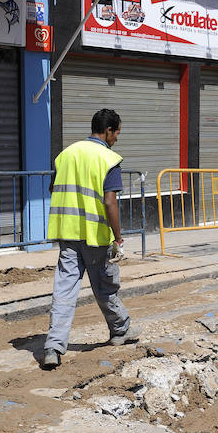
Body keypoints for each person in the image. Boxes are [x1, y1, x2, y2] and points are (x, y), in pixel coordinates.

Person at [42, 109, 140, 369]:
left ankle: (53, 347)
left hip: (67, 233)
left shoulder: (66, 155)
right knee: (105, 287)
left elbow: (54, 188)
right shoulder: (108, 158)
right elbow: (110, 201)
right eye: (117, 133)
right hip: (95, 237)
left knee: (64, 291)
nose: (117, 139)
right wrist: (118, 238)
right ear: (108, 131)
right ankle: (120, 330)